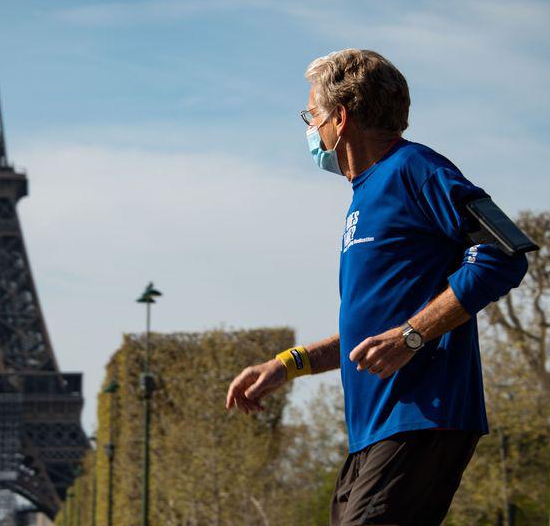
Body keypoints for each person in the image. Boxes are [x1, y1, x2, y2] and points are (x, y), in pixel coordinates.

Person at [224, 49, 529, 525]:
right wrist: (287, 364)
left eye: (312, 115)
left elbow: (503, 251)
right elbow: (372, 335)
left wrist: (412, 335)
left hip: (421, 417)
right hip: (375, 429)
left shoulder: (415, 168)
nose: (310, 130)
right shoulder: (365, 194)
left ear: (340, 118)